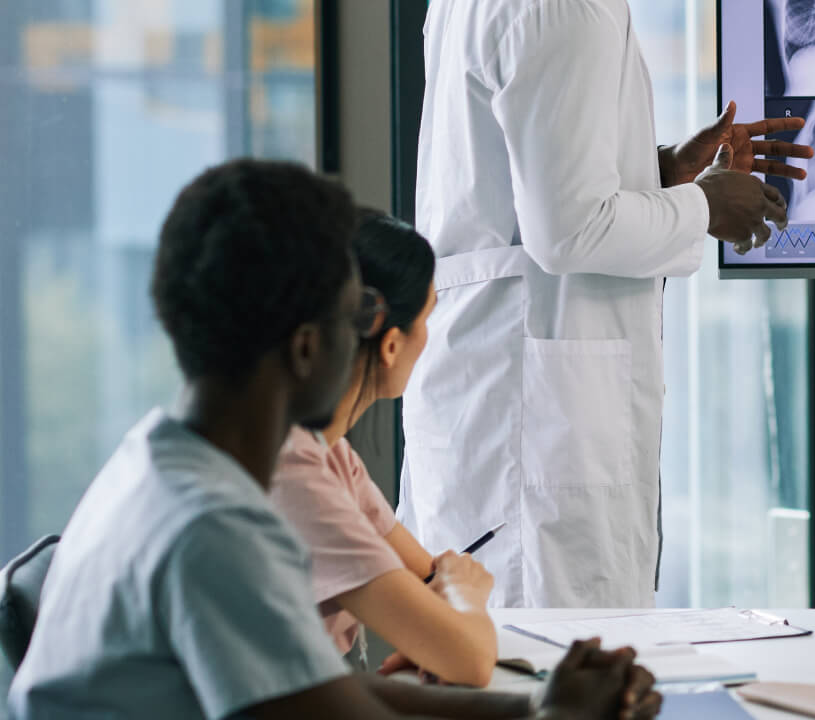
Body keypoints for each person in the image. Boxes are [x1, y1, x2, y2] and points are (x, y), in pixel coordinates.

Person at [9, 159, 661, 720]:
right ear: (307, 347)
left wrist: (530, 708)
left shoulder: (161, 467)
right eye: (356, 316)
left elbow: (330, 692)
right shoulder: (215, 528)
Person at [404, 0, 810, 608]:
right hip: (535, 437)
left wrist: (660, 171)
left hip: (499, 403)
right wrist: (705, 208)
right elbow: (568, 230)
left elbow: (518, 190)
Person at [269, 209, 503, 685]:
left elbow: (426, 577)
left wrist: (445, 611)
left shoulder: (328, 455)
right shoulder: (292, 473)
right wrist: (465, 599)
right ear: (392, 344)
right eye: (427, 317)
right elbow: (471, 658)